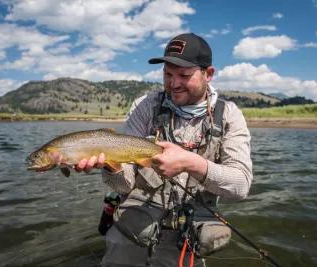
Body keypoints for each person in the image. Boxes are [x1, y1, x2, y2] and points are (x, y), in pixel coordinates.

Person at [76, 33, 253, 267]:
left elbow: (241, 185)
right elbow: (125, 184)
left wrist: (192, 163)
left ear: (208, 74)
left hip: (190, 226)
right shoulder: (145, 106)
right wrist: (111, 166)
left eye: (184, 75)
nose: (174, 83)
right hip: (137, 216)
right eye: (167, 74)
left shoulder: (229, 115)